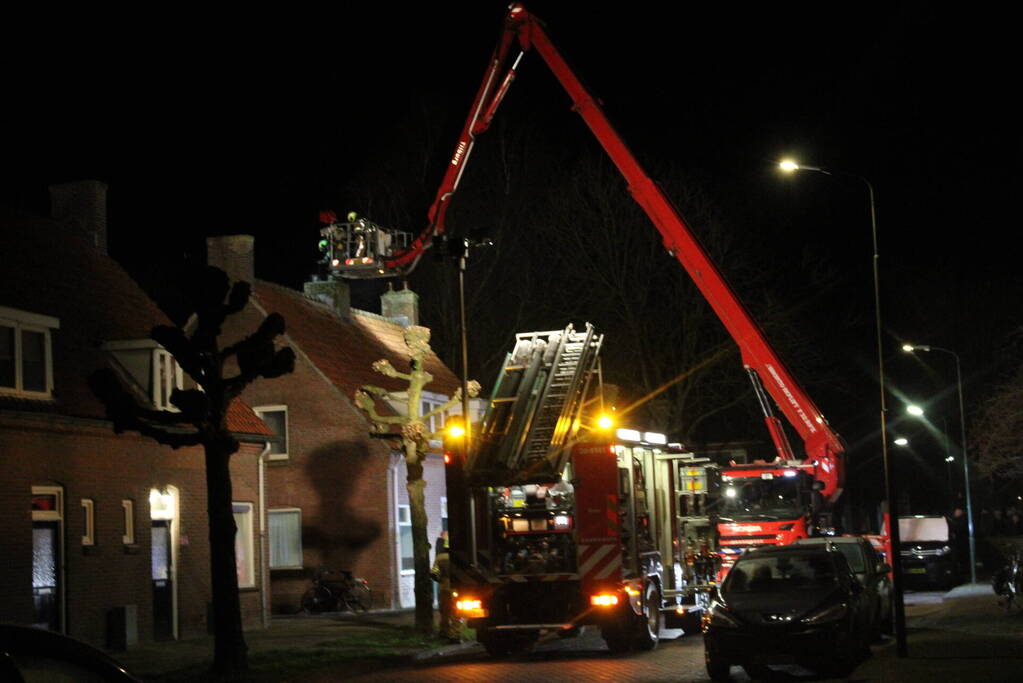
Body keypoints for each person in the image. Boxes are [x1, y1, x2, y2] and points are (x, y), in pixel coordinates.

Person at [431, 531, 461, 643]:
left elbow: (433, 573)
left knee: (444, 612)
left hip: (443, 588)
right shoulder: (459, 557)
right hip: (456, 589)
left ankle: (443, 632)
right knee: (456, 612)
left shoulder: (439, 557)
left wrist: (441, 581)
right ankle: (454, 635)